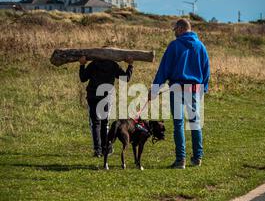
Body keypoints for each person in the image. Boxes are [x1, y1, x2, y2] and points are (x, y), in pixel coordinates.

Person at [148, 18, 210, 169]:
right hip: (194, 89)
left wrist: (155, 89)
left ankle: (180, 160)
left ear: (181, 29)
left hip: (177, 89)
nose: (174, 33)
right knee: (195, 123)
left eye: (175, 30)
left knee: (179, 124)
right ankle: (197, 158)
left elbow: (164, 70)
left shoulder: (174, 46)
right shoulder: (200, 46)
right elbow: (206, 70)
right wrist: (204, 88)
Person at [79, 56, 133, 157]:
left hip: (93, 96)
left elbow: (83, 78)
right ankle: (106, 149)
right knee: (104, 123)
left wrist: (82, 65)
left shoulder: (94, 64)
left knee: (95, 123)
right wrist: (130, 65)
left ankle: (97, 150)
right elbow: (126, 78)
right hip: (106, 97)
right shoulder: (113, 65)